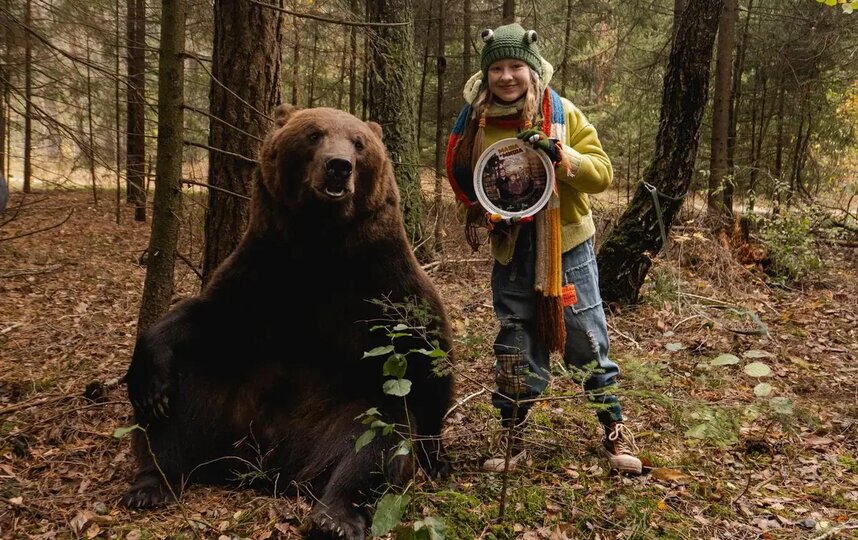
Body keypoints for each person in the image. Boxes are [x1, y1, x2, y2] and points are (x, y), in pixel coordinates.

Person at [445, 23, 642, 474]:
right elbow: (463, 175)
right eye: (497, 67)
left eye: (516, 66)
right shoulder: (475, 120)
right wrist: (486, 210)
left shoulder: (563, 112)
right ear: (486, 72)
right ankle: (512, 436)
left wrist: (561, 156)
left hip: (566, 244)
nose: (507, 76)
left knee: (587, 338)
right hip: (511, 248)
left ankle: (613, 430)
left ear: (533, 71)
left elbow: (603, 173)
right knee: (515, 339)